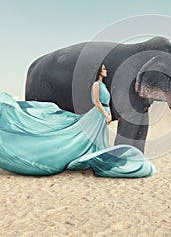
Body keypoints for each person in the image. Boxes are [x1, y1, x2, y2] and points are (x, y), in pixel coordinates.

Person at [0, 63, 156, 178]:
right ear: (99, 72)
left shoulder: (102, 85)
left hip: (103, 114)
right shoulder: (96, 85)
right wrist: (106, 114)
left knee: (98, 139)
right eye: (103, 69)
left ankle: (91, 159)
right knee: (85, 137)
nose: (106, 70)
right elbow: (96, 102)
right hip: (99, 113)